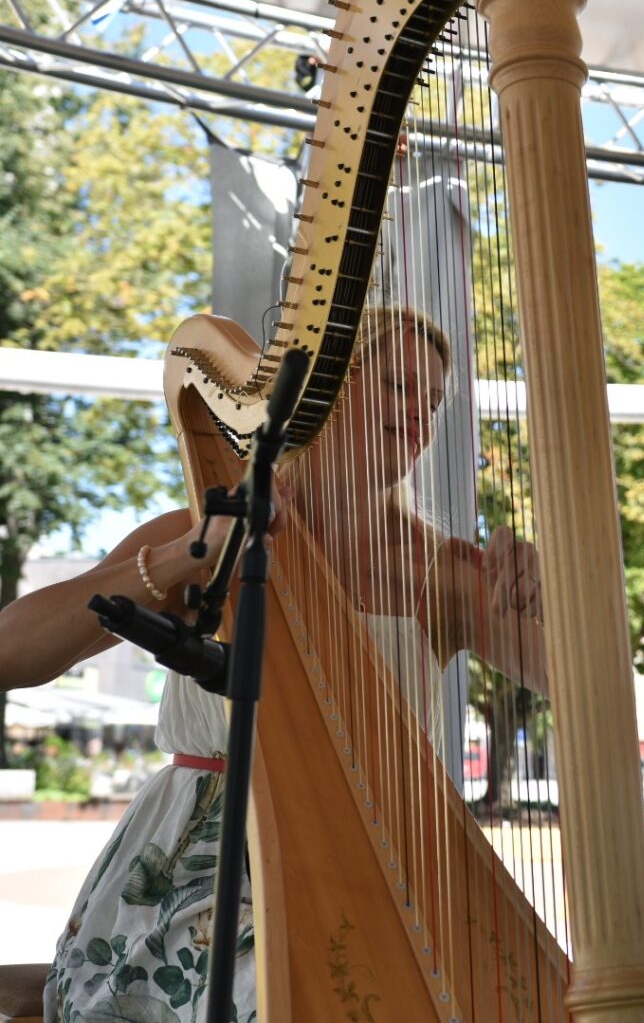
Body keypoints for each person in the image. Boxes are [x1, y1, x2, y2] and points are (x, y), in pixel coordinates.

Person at [0, 306, 544, 1022]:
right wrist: (185, 555)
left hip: (375, 871)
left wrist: (546, 597)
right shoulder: (202, 528)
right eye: (399, 386)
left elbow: (580, 689)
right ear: (323, 394)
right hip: (196, 876)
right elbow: (12, 654)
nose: (421, 414)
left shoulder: (443, 574)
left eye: (435, 401)